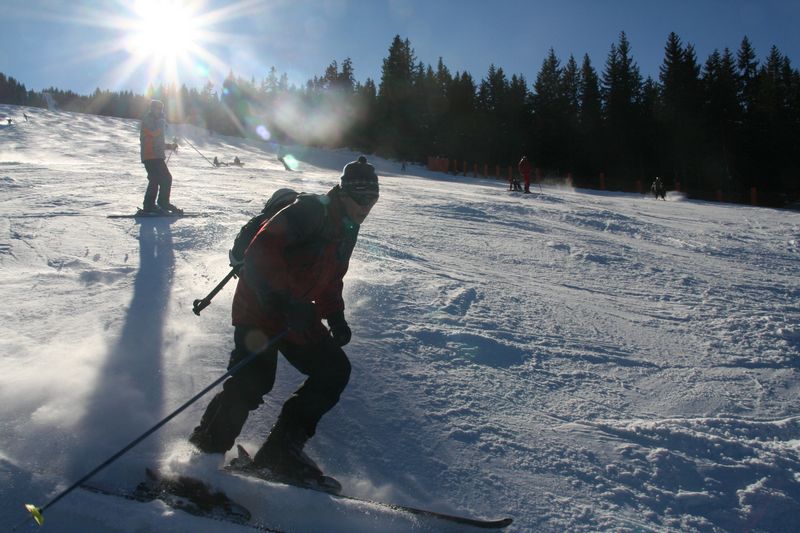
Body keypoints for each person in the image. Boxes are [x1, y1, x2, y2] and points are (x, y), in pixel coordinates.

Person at [189, 155, 380, 487]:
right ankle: (198, 462)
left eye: (374, 199)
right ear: (344, 192)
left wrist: (335, 316)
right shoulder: (310, 211)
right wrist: (285, 301)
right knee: (254, 379)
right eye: (363, 198)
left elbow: (331, 278)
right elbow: (260, 251)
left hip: (294, 314)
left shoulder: (348, 228)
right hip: (260, 307)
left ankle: (280, 453)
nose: (368, 206)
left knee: (334, 370)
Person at [140, 99, 181, 214]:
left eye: (160, 109)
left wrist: (169, 146)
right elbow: (153, 132)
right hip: (150, 155)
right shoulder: (149, 120)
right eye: (155, 108)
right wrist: (162, 122)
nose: (157, 111)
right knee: (158, 178)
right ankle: (153, 205)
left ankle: (159, 203)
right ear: (151, 108)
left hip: (156, 155)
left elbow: (157, 142)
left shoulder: (157, 122)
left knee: (162, 178)